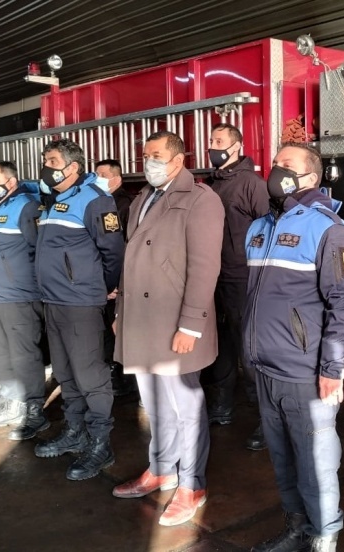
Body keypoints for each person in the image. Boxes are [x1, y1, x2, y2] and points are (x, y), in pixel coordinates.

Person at [244, 143, 344, 552]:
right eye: (275, 163)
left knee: (316, 462)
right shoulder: (259, 228)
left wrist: (332, 367)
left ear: (311, 177)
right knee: (282, 458)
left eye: (287, 165)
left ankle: (323, 536)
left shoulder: (329, 228)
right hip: (264, 365)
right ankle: (296, 526)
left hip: (304, 369)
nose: (276, 170)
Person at [112, 131, 224, 527]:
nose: (148, 163)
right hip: (141, 321)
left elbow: (205, 267)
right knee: (155, 405)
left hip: (176, 323)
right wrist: (120, 312)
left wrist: (191, 326)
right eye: (145, 156)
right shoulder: (142, 198)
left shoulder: (200, 199)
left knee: (185, 407)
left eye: (156, 156)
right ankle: (162, 469)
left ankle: (191, 484)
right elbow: (132, 260)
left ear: (178, 160)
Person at [33, 140, 125, 480]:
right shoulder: (56, 201)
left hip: (80, 302)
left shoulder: (96, 200)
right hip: (53, 300)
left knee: (90, 376)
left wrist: (99, 288)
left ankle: (100, 444)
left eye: (53, 160)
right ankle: (75, 432)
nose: (47, 166)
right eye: (45, 160)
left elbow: (114, 251)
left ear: (73, 166)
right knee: (65, 372)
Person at [202, 123, 270, 451]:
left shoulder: (252, 184)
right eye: (211, 141)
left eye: (219, 141)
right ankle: (223, 406)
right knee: (221, 347)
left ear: (237, 146)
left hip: (243, 278)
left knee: (249, 350)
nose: (212, 146)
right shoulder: (209, 184)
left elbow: (270, 227)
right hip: (212, 278)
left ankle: (267, 419)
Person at [0, 161, 48, 441]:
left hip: (19, 295)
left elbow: (39, 249)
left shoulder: (26, 206)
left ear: (11, 181)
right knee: (2, 355)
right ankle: (12, 401)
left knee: (24, 355)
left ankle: (34, 410)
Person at [95, 158, 136, 396]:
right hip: (101, 281)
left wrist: (116, 282)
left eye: (102, 174)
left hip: (116, 282)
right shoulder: (97, 202)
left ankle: (125, 382)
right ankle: (113, 375)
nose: (97, 179)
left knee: (118, 331)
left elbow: (123, 248)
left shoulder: (124, 205)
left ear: (116, 178)